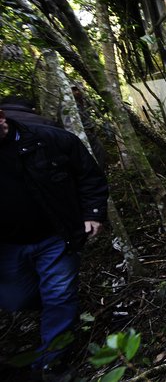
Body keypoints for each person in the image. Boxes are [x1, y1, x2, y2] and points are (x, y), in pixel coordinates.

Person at [0, 106, 108, 378]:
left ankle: (51, 362)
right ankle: (57, 310)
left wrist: (92, 213)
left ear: (1, 117)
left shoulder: (48, 139)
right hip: (9, 247)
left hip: (55, 236)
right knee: (17, 299)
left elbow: (89, 175)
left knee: (59, 294)